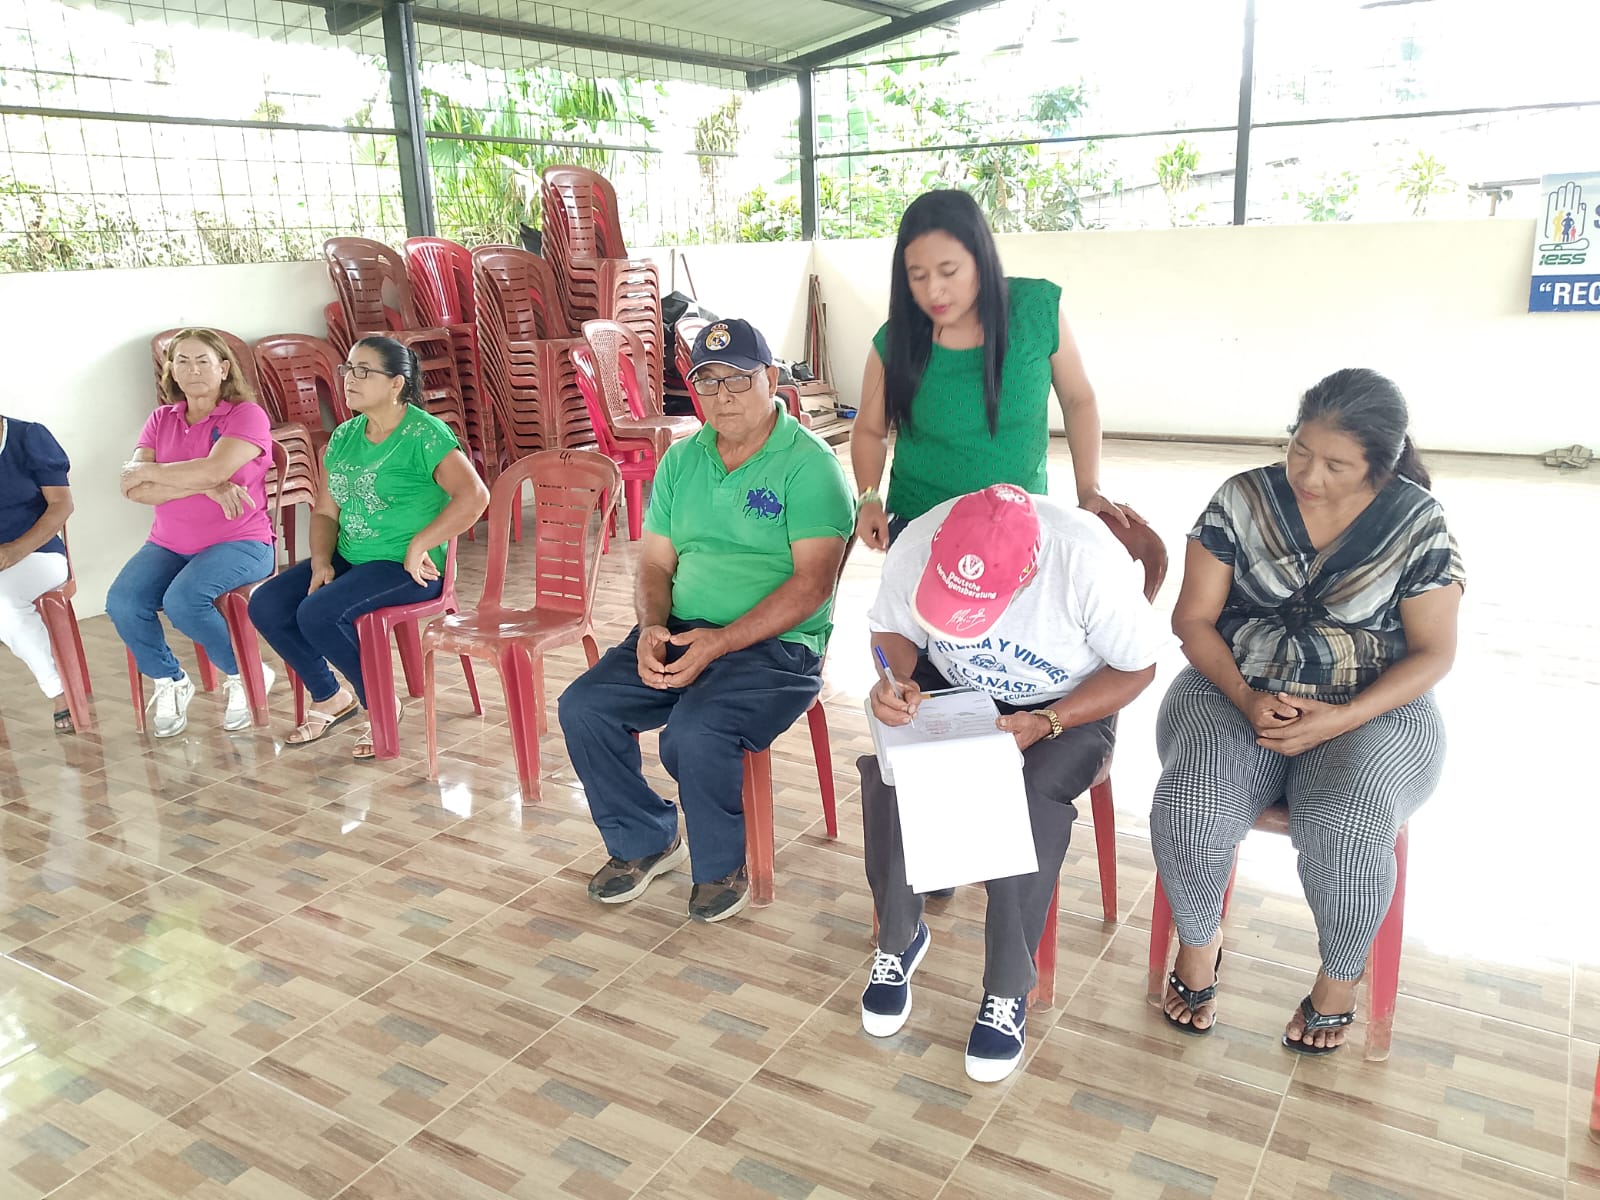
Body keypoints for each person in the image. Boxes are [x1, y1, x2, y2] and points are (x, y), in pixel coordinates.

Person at [1150, 368, 1463, 1055]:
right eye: (1300, 450)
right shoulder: (1241, 499)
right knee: (1190, 802)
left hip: (1375, 705)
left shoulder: (1417, 522)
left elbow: (1435, 652)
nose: (1308, 475)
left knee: (1349, 823)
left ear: (1379, 464)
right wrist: (1246, 697)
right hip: (1232, 686)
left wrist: (1340, 718)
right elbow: (1192, 620)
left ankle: (1339, 978)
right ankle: (1199, 943)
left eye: (1335, 465)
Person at [859, 484, 1164, 1082]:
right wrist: (895, 681)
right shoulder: (919, 540)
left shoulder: (1086, 561)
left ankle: (1006, 989)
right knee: (899, 774)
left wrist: (1050, 720)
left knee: (1027, 803)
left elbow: (1137, 667)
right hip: (954, 691)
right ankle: (898, 940)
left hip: (1066, 707)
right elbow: (891, 631)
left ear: (1029, 572)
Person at [558, 318, 853, 924]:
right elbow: (655, 564)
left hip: (778, 646)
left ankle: (721, 865)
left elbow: (812, 586)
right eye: (707, 381)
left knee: (693, 733)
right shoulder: (682, 460)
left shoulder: (809, 464)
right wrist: (650, 627)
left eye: (738, 379)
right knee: (584, 707)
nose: (723, 397)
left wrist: (721, 642)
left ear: (771, 377)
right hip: (684, 627)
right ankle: (646, 837)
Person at [850, 188, 1132, 555]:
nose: (934, 290)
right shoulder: (894, 341)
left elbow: (1078, 400)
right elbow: (870, 430)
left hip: (1019, 525)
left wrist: (1089, 489)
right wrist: (868, 497)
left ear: (981, 259)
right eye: (917, 276)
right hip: (922, 528)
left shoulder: (1036, 312)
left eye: (949, 271)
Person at [248, 335, 488, 759]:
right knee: (266, 603)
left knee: (317, 613)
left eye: (363, 371)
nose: (349, 379)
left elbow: (475, 497)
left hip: (407, 566)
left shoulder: (424, 435)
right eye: (348, 369)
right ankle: (329, 696)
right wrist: (321, 560)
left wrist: (421, 544)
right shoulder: (343, 437)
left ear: (396, 384)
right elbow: (325, 512)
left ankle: (378, 703)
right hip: (351, 555)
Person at [110, 328, 276, 737]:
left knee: (183, 600)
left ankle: (245, 673)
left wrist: (156, 471)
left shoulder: (246, 415)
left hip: (241, 542)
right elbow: (133, 489)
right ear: (171, 370)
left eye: (203, 361)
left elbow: (212, 468)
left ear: (224, 369)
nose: (193, 369)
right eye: (182, 361)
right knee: (123, 602)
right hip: (168, 544)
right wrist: (207, 486)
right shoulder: (160, 419)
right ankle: (169, 679)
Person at [0, 415, 75, 731]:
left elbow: (62, 505)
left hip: (38, 554)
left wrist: (15, 550)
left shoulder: (28, 437)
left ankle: (59, 692)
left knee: (3, 603)